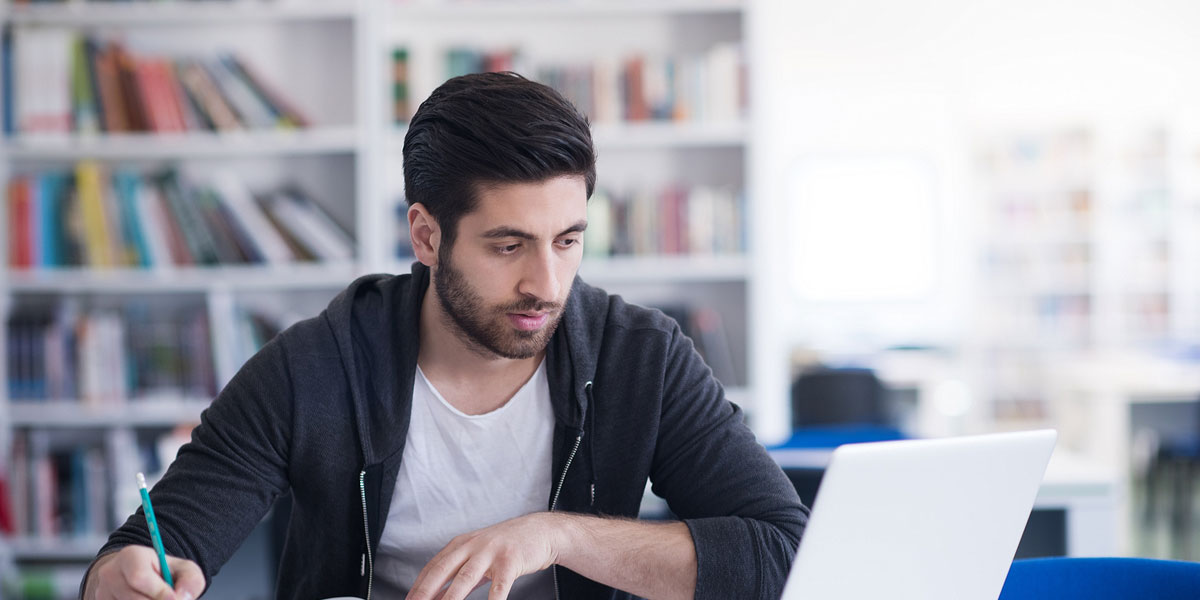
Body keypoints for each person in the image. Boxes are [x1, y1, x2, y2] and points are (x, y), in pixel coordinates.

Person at [82, 72, 808, 600]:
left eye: (567, 240)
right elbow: (150, 547)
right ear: (427, 236)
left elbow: (782, 554)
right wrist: (123, 575)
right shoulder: (314, 368)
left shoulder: (640, 359)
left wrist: (555, 535)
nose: (547, 285)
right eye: (507, 246)